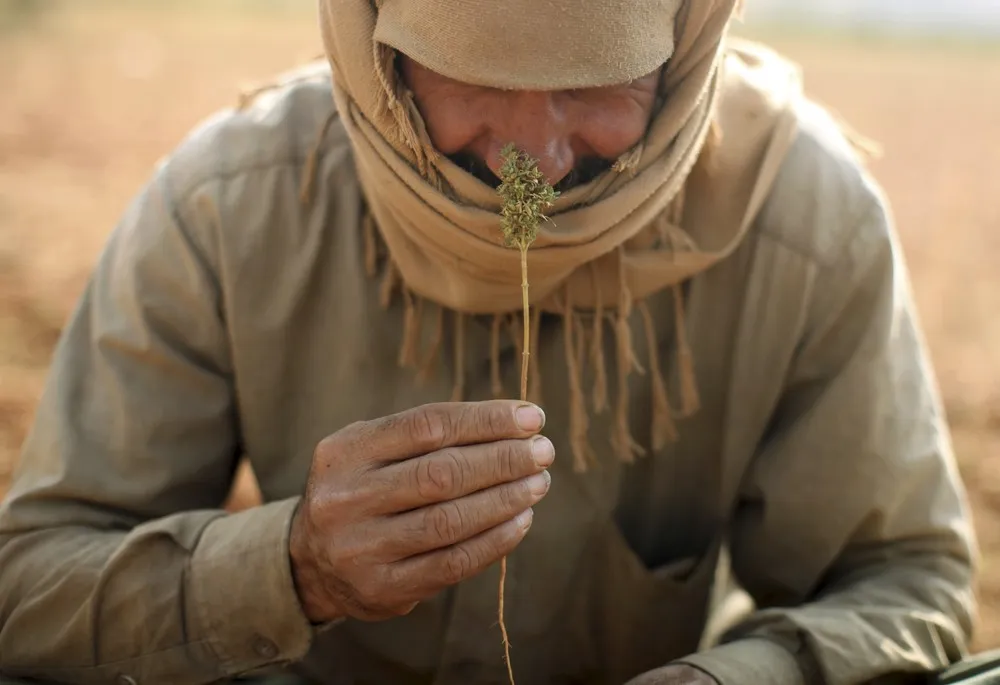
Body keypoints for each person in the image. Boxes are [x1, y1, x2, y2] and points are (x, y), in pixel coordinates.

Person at [0, 0, 991, 684]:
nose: (536, 156)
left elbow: (908, 584)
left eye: (597, 85)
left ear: (686, 41)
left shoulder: (805, 224)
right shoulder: (229, 206)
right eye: (474, 79)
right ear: (376, 47)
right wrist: (294, 567)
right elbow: (29, 589)